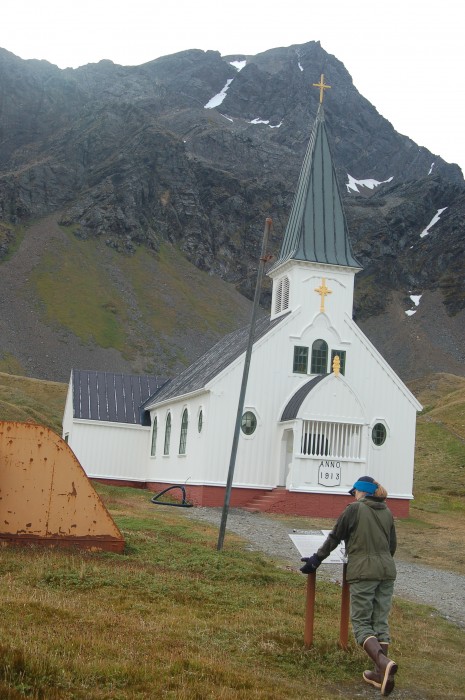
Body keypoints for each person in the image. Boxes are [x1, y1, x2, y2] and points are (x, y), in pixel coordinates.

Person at [300, 475, 398, 697]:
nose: (353, 496)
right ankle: (380, 675)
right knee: (380, 621)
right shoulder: (387, 511)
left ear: (361, 491)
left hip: (363, 572)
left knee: (361, 624)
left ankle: (384, 663)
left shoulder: (354, 510)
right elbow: (392, 546)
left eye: (354, 492)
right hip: (387, 572)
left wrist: (316, 559)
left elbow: (335, 536)